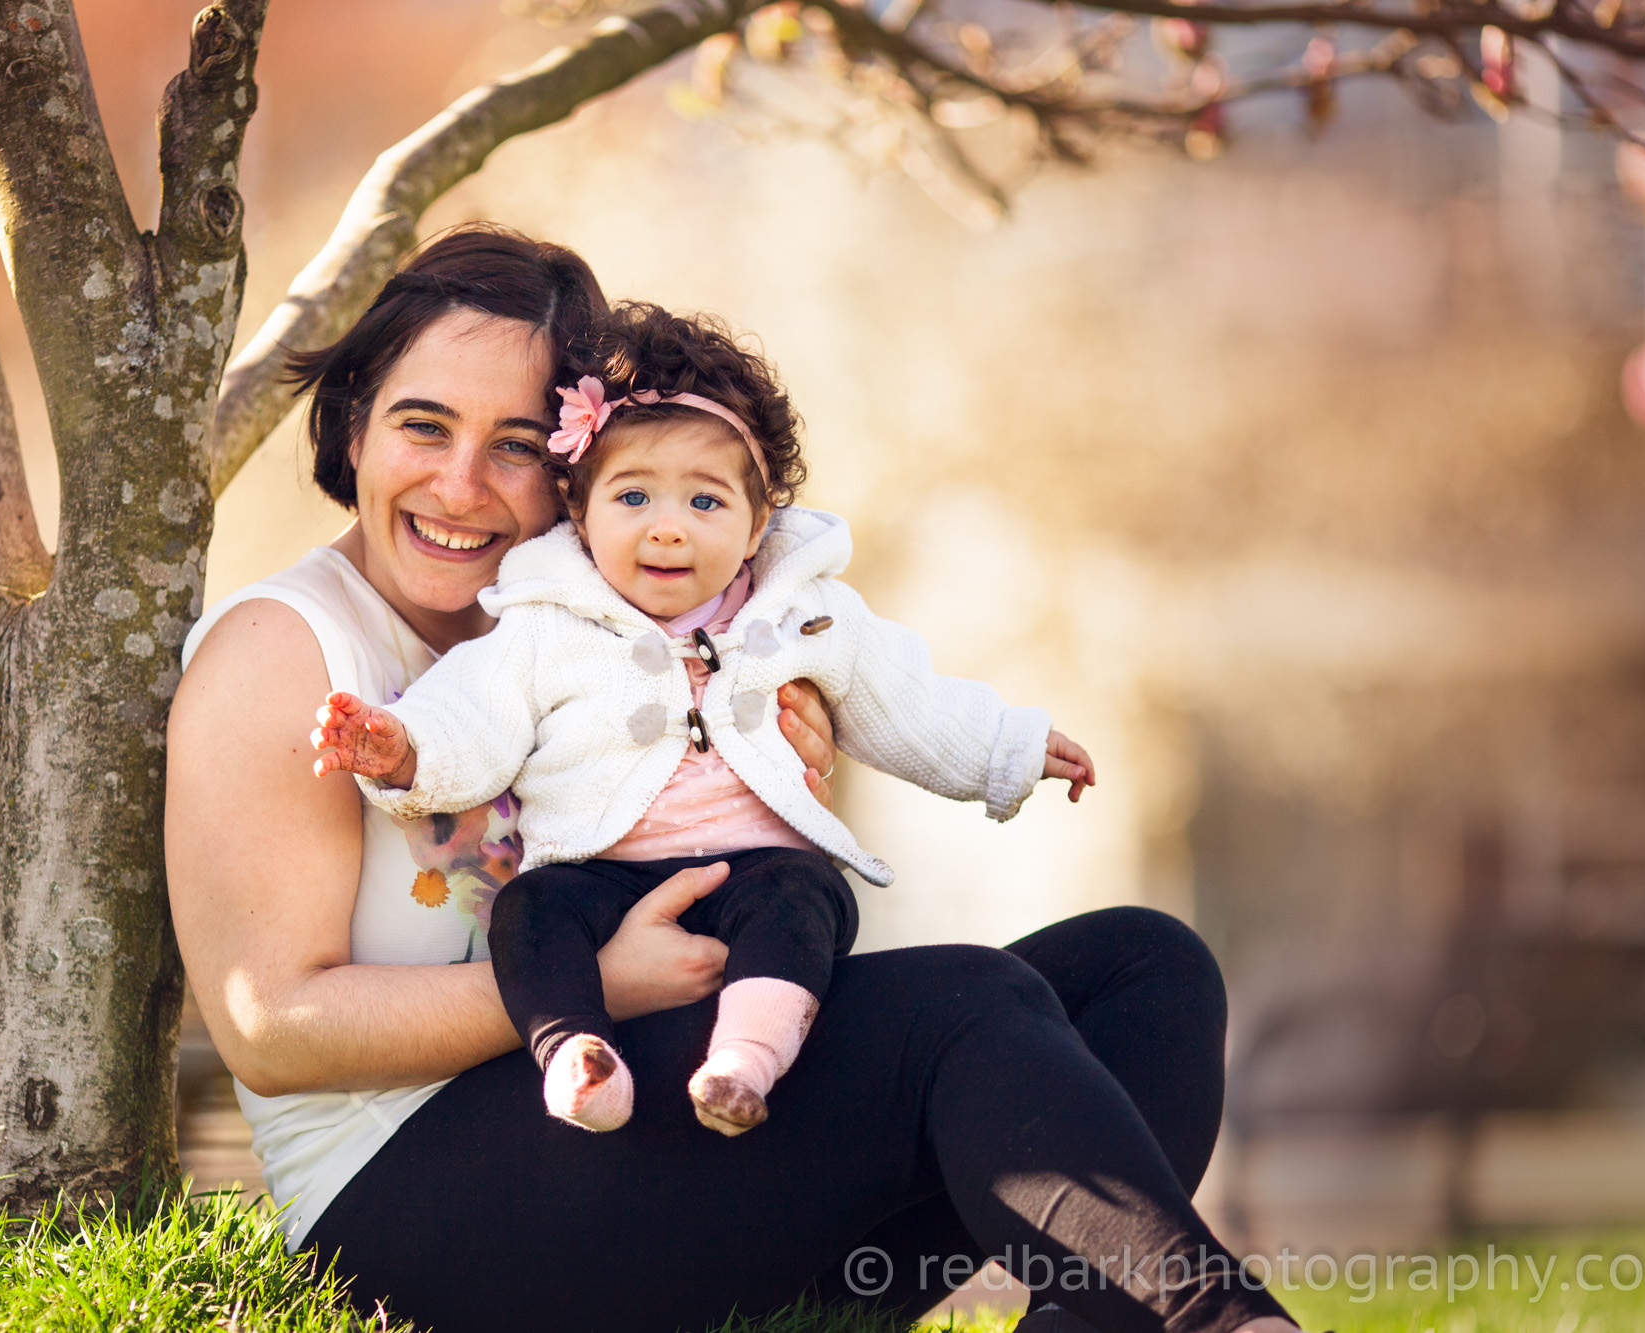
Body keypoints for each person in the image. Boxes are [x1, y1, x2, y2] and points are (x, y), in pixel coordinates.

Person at [166, 223, 1301, 1332]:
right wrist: (603, 982)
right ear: (354, 425)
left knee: (1143, 971)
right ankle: (1214, 1316)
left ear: (575, 471)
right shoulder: (288, 649)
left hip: (658, 1120)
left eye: (514, 444)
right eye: (423, 425)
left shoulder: (582, 628)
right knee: (959, 1011)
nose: (461, 485)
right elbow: (274, 1028)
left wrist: (762, 752)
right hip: (408, 1210)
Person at [308, 301, 1096, 1140]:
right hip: (601, 875)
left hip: (753, 870)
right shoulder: (547, 623)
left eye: (707, 503)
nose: (668, 527)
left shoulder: (804, 615)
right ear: (582, 512)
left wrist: (1012, 746)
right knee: (529, 914)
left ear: (760, 523)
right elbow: (473, 712)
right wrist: (401, 747)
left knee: (809, 897)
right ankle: (576, 1053)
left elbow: (906, 698)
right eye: (635, 495)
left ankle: (745, 1060)